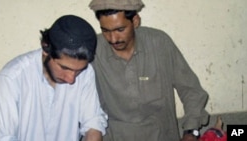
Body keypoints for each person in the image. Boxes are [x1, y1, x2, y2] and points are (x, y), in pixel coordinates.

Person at [88, 0, 209, 141]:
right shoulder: (94, 51)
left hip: (161, 135)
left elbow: (191, 90)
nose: (113, 39)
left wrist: (191, 131)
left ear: (135, 21)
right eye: (106, 31)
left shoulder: (159, 43)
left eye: (120, 30)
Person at [0, 15, 107, 141]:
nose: (71, 79)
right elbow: (3, 137)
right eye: (65, 68)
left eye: (78, 71)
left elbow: (93, 123)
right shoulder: (11, 79)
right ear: (46, 49)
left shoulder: (86, 74)